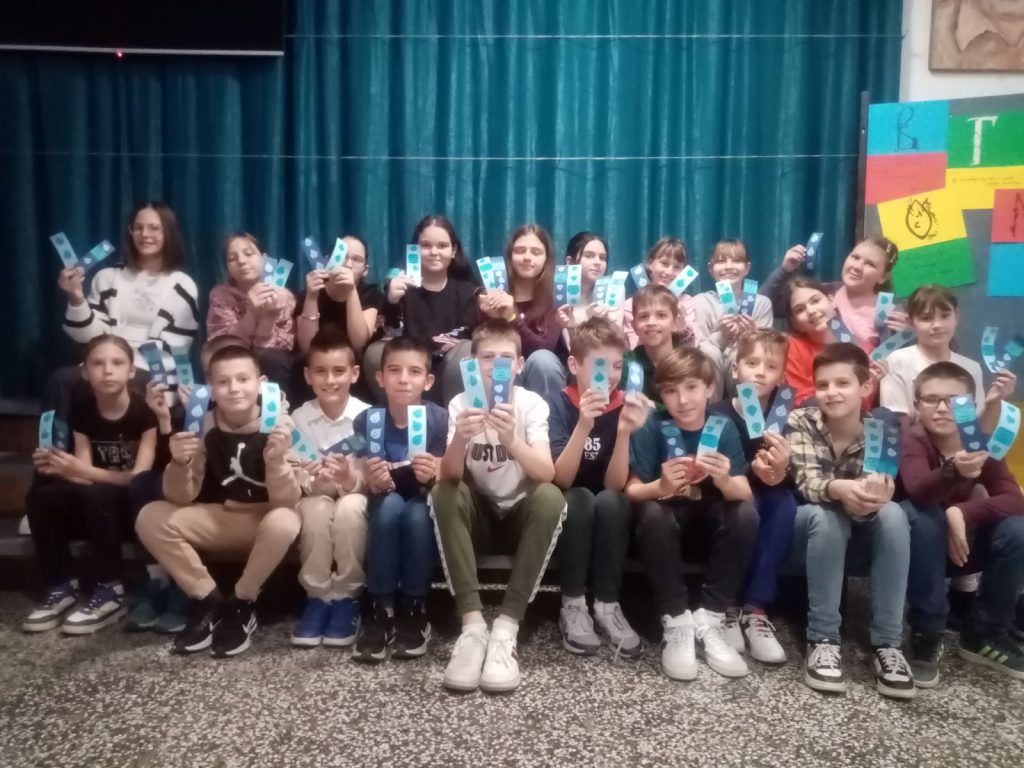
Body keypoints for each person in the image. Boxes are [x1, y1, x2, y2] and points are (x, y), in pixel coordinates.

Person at [135, 346, 302, 658]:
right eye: (223, 382)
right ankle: (208, 600)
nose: (234, 388)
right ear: (210, 387)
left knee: (285, 519)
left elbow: (287, 500)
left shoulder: (280, 424)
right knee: (151, 516)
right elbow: (181, 496)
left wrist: (277, 461)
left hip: (268, 522)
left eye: (243, 379)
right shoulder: (203, 423)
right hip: (226, 517)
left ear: (261, 383)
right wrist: (179, 463)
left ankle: (242, 603)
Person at [431, 319, 565, 693]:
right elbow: (450, 476)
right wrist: (460, 439)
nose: (495, 366)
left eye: (505, 358)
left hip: (519, 513)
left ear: (519, 365)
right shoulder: (461, 403)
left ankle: (506, 628)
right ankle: (472, 627)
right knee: (443, 492)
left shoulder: (530, 403)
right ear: (472, 365)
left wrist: (511, 440)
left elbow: (547, 472)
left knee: (550, 497)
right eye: (486, 357)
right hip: (481, 516)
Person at [788, 342, 914, 699]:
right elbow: (807, 483)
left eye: (842, 383)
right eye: (823, 385)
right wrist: (840, 489)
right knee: (826, 516)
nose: (831, 392)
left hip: (859, 524)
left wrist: (873, 499)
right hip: (808, 526)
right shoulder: (800, 420)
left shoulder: (881, 433)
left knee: (894, 514)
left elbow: (881, 485)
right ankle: (823, 638)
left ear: (865, 387)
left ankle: (888, 643)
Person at [627, 347, 758, 681]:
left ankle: (711, 618)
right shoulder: (652, 425)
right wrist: (661, 485)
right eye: (670, 391)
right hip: (664, 522)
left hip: (707, 520)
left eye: (691, 388)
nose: (682, 400)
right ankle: (676, 621)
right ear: (661, 395)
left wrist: (724, 479)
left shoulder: (722, 426)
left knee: (745, 514)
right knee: (651, 512)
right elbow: (632, 490)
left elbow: (744, 493)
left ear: (709, 388)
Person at [22, 335, 157, 634]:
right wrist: (60, 468)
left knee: (99, 494)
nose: (107, 370)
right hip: (96, 503)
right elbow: (84, 475)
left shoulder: (144, 414)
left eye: (117, 363)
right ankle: (61, 585)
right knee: (42, 495)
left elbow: (139, 479)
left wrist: (82, 471)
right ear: (85, 372)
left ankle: (110, 589)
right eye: (98, 363)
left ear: (131, 371)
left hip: (132, 508)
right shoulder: (82, 410)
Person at [900, 361, 1024, 684]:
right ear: (917, 405)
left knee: (1017, 530)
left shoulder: (978, 443)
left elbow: (1015, 499)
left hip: (961, 549)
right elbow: (918, 489)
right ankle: (927, 632)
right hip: (914, 552)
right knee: (921, 514)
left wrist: (962, 512)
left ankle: (984, 634)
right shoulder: (913, 438)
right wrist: (954, 471)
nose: (942, 408)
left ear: (970, 406)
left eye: (954, 401)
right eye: (931, 399)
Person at [548, 317, 649, 658]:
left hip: (606, 499)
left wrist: (623, 432)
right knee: (578, 498)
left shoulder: (624, 404)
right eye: (601, 366)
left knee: (612, 501)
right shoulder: (558, 403)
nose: (611, 375)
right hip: (570, 498)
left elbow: (614, 485)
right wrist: (584, 424)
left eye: (618, 366)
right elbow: (562, 479)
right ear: (574, 365)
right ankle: (573, 604)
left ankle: (607, 604)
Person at [51, 201, 200, 420]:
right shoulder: (107, 277)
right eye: (138, 227)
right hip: (105, 364)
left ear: (168, 233)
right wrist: (76, 297)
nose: (145, 234)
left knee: (127, 386)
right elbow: (87, 338)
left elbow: (178, 349)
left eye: (154, 228)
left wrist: (125, 366)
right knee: (62, 379)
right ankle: (53, 442)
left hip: (152, 372)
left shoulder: (183, 285)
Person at [352, 338, 447, 662]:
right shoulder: (367, 420)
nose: (404, 379)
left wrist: (432, 474)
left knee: (418, 515)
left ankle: (415, 606)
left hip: (423, 498)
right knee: (389, 507)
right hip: (386, 498)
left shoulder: (438, 419)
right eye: (394, 371)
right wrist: (371, 478)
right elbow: (362, 471)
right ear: (380, 378)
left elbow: (444, 474)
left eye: (414, 372)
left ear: (428, 381)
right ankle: (382, 608)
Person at [708, 329, 794, 664]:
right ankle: (728, 606)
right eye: (752, 363)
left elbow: (795, 476)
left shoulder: (785, 416)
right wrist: (747, 473)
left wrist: (782, 469)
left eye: (771, 367)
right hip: (727, 498)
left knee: (783, 503)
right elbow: (713, 474)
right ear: (735, 369)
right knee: (744, 507)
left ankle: (756, 609)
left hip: (771, 495)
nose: (760, 372)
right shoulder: (718, 414)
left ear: (781, 376)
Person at [289, 330, 371, 648]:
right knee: (315, 510)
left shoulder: (366, 417)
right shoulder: (299, 418)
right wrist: (311, 478)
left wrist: (348, 476)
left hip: (354, 494)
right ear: (308, 376)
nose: (330, 380)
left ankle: (347, 597)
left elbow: (366, 480)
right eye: (320, 371)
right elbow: (296, 472)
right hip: (316, 494)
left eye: (338, 371)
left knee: (351, 509)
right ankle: (318, 596)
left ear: (354, 373)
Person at [364, 215, 479, 405]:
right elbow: (387, 336)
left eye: (442, 246)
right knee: (377, 352)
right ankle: (397, 417)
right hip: (407, 373)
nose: (434, 252)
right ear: (415, 250)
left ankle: (456, 418)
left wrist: (422, 345)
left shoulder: (468, 291)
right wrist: (392, 302)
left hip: (447, 374)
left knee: (467, 350)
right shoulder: (399, 287)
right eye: (425, 245)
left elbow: (464, 336)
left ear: (453, 251)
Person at [880, 284, 1016, 433]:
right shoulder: (897, 361)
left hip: (959, 446)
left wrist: (993, 403)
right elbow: (897, 428)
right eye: (926, 318)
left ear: (956, 316)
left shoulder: (971, 368)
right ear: (911, 322)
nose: (937, 325)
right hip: (915, 444)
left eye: (945, 316)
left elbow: (975, 432)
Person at [762, 236, 907, 354]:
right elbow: (761, 305)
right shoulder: (821, 294)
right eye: (855, 257)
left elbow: (893, 361)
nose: (857, 267)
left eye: (870, 264)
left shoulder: (891, 313)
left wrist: (909, 337)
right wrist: (784, 270)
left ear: (883, 277)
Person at [478, 225, 567, 400]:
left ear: (546, 259)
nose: (527, 257)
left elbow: (544, 349)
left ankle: (550, 418)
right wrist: (490, 319)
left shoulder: (555, 297)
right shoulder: (490, 295)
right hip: (500, 371)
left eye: (536, 252)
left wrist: (512, 317)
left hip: (540, 375)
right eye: (520, 251)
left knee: (543, 360)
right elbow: (480, 348)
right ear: (510, 256)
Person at [206, 231, 297, 393]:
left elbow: (276, 348)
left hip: (270, 361)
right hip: (232, 359)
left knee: (273, 359)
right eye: (232, 258)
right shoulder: (221, 295)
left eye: (249, 254)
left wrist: (269, 317)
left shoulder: (283, 296)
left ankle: (275, 407)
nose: (241, 261)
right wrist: (252, 313)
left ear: (264, 258)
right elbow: (222, 346)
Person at [691, 239, 774, 394]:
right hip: (708, 379)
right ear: (710, 269)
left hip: (745, 385)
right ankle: (710, 407)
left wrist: (750, 337)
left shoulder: (761, 303)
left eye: (737, 261)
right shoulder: (700, 301)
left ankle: (744, 407)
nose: (729, 266)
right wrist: (723, 336)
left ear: (747, 268)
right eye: (721, 261)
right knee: (710, 352)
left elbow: (766, 349)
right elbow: (697, 349)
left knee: (743, 353)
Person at [783, 277, 878, 410]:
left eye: (815, 301)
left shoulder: (865, 349)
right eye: (800, 310)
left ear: (832, 300)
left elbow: (865, 406)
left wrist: (874, 383)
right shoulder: (792, 348)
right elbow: (801, 400)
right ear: (794, 322)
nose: (811, 311)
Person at [295, 234, 383, 361]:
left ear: (365, 270)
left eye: (356, 260)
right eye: (342, 256)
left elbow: (359, 343)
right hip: (318, 359)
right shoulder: (311, 291)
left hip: (353, 360)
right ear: (327, 261)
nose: (348, 265)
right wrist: (311, 297)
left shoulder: (371, 294)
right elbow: (307, 346)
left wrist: (351, 290)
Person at [623, 285, 711, 406]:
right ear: (634, 326)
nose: (651, 322)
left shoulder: (691, 362)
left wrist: (652, 408)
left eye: (661, 315)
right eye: (643, 316)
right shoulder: (627, 364)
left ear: (675, 322)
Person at [621, 237, 698, 350]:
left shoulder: (686, 302)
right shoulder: (630, 305)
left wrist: (683, 329)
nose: (669, 272)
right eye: (664, 264)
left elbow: (692, 348)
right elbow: (632, 348)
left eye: (677, 267)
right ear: (650, 263)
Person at [554, 232, 618, 347]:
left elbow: (617, 345)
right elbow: (571, 349)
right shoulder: (560, 294)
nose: (598, 262)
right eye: (589, 256)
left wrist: (604, 323)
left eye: (602, 258)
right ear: (570, 262)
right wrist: (588, 322)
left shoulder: (613, 291)